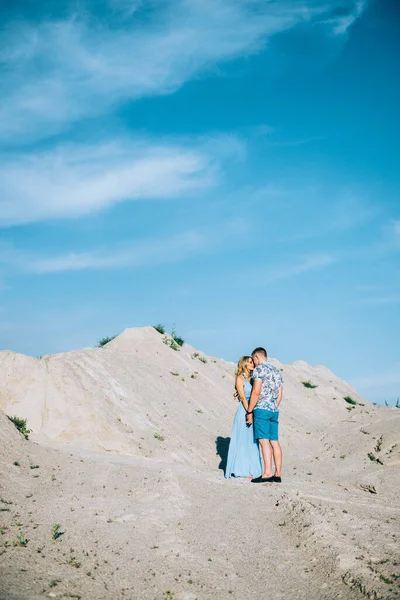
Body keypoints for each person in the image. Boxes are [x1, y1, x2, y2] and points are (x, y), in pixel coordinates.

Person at [246, 347, 283, 483]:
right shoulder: (277, 371)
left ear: (256, 357)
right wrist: (273, 405)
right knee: (275, 442)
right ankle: (277, 473)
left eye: (253, 360)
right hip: (274, 410)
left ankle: (267, 473)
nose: (253, 363)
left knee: (263, 441)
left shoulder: (259, 369)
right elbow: (280, 394)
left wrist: (250, 411)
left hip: (261, 408)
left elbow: (256, 391)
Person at [225, 356, 262, 479]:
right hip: (244, 411)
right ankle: (241, 469)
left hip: (252, 410)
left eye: (253, 362)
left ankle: (252, 468)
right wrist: (249, 412)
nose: (253, 364)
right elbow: (242, 397)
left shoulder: (251, 379)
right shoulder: (240, 378)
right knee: (242, 440)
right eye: (250, 362)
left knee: (251, 441)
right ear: (244, 364)